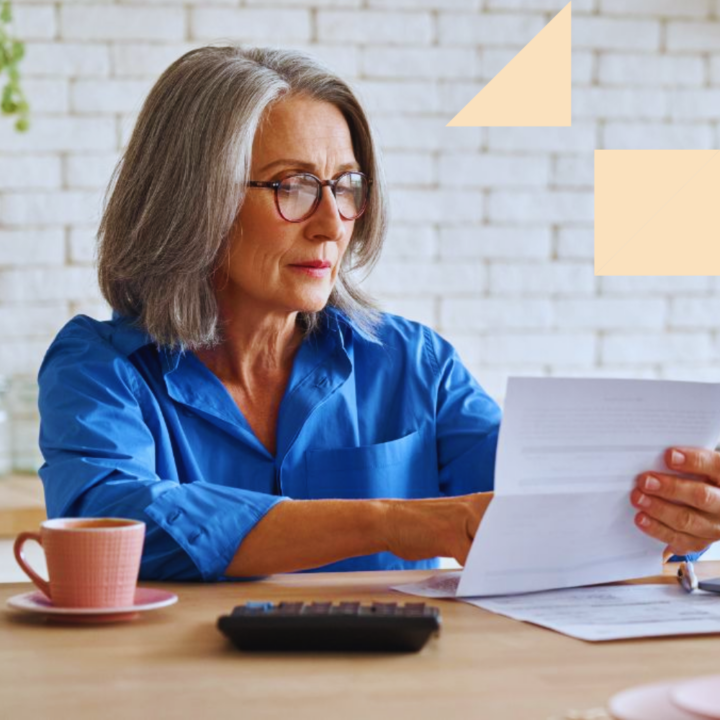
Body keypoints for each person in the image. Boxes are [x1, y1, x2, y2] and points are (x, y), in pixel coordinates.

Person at [38, 46, 717, 583]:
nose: (333, 224)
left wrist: (668, 517)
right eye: (294, 186)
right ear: (195, 200)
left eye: (347, 186)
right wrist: (393, 523)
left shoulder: (414, 364)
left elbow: (543, 507)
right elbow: (113, 522)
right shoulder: (100, 369)